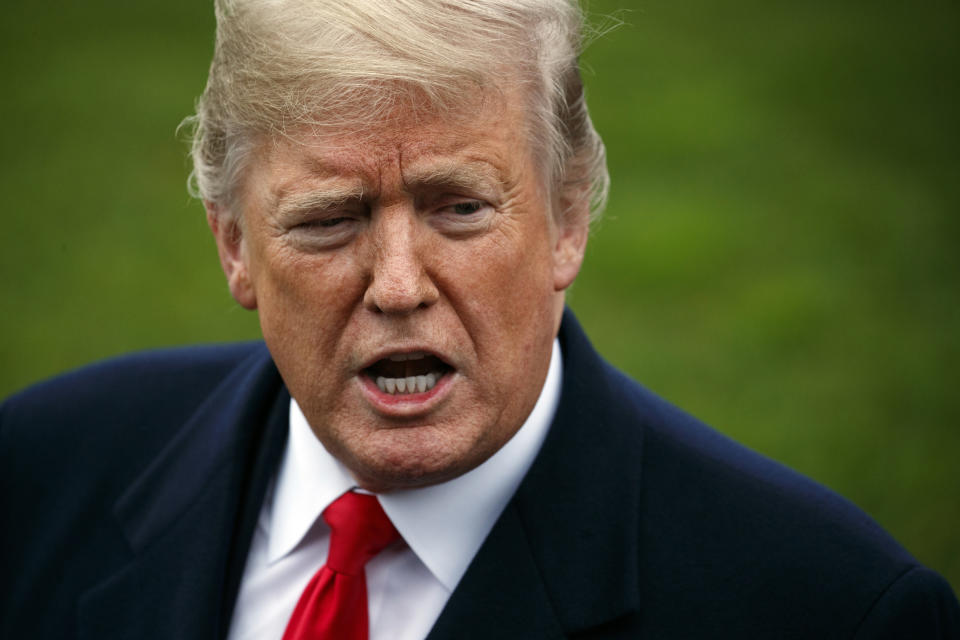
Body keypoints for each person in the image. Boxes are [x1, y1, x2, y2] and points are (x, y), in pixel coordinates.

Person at [1, 0, 957, 638]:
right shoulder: (35, 477)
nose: (399, 285)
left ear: (568, 219)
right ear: (235, 246)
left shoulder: (832, 612)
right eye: (329, 221)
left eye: (459, 207)